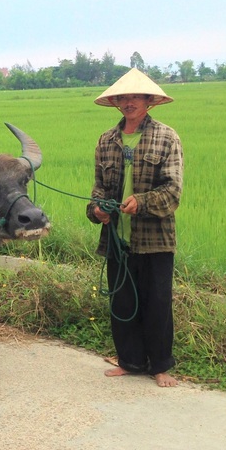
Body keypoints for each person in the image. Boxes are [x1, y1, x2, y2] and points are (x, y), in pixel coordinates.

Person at [86, 67, 183, 388]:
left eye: (135, 96)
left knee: (157, 302)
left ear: (148, 101)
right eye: (123, 97)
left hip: (155, 239)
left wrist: (141, 202)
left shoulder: (167, 137)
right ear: (116, 102)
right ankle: (129, 361)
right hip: (117, 238)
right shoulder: (106, 140)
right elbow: (98, 190)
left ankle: (160, 366)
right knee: (122, 301)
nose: (129, 102)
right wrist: (97, 210)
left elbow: (172, 191)